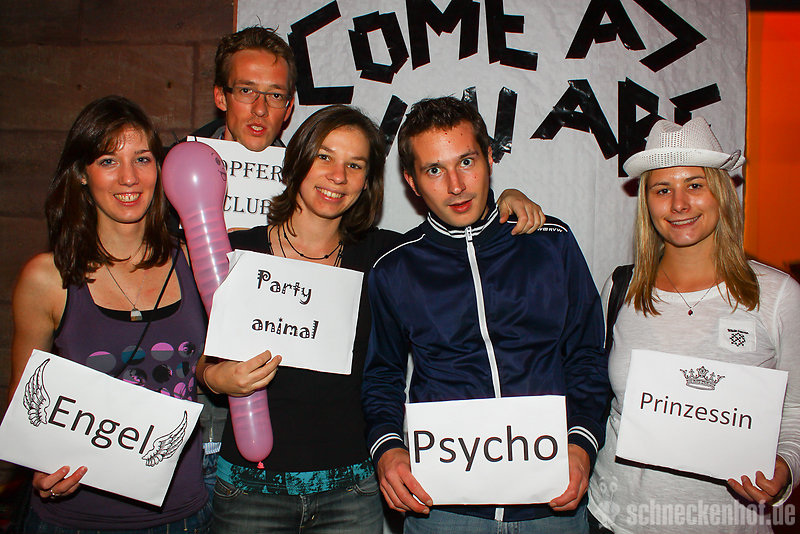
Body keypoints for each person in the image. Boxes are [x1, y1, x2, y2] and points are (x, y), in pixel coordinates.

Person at [189, 27, 546, 494]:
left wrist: (506, 200)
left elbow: (460, 243)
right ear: (298, 161)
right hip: (249, 487)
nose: (337, 176)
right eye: (324, 157)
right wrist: (217, 378)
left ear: (367, 181)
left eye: (355, 165)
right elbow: (204, 359)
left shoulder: (386, 256)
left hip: (354, 487)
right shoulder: (242, 251)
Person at [361, 96, 610, 533]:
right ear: (412, 182)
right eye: (434, 170)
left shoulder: (551, 242)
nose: (456, 185)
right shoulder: (395, 267)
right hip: (443, 508)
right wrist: (387, 448)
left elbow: (586, 355)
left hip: (551, 500)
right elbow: (382, 374)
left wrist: (582, 441)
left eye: (466, 161)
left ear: (490, 158)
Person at [9, 95, 213, 532]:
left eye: (142, 158)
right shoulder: (47, 278)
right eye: (108, 160)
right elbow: (24, 400)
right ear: (82, 174)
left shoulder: (196, 263)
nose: (129, 177)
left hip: (181, 516)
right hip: (75, 518)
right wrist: (37, 466)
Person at [586, 117, 800, 534]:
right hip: (615, 520)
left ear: (722, 191)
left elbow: (795, 408)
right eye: (662, 189)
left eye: (695, 185)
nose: (679, 204)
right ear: (647, 202)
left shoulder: (778, 296)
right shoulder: (621, 288)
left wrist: (786, 465)